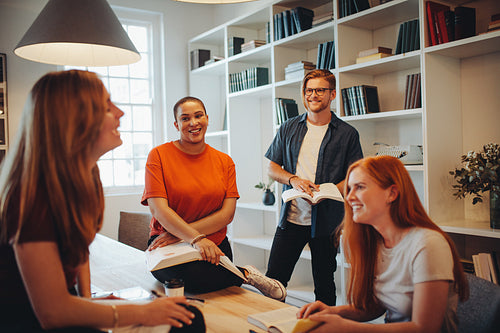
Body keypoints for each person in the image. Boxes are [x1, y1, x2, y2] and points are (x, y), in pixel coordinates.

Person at [0, 70, 198, 332]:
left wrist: (88, 300)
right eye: (106, 107)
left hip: (63, 303)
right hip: (30, 321)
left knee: (187, 317)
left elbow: (79, 250)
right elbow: (52, 313)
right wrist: (131, 313)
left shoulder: (87, 175)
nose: (120, 112)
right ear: (73, 120)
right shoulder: (32, 196)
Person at [298, 155, 469, 333]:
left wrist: (347, 328)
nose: (349, 197)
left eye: (360, 187)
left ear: (392, 193)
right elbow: (377, 306)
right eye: (349, 189)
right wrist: (332, 312)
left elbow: (425, 328)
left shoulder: (428, 244)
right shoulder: (377, 242)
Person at [141, 96, 286, 300]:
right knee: (183, 282)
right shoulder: (158, 156)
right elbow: (159, 210)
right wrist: (194, 238)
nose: (193, 123)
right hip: (167, 243)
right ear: (176, 124)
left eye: (198, 116)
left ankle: (237, 273)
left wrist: (186, 234)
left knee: (204, 282)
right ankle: (245, 274)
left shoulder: (224, 161)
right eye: (185, 118)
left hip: (213, 243)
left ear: (207, 119)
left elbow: (226, 215)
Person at [264, 69, 363, 305]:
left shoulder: (348, 134)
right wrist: (293, 179)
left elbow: (355, 175)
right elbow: (272, 168)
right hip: (291, 220)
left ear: (332, 94)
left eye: (320, 90)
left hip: (327, 223)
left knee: (325, 286)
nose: (313, 95)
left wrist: (327, 190)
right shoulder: (288, 127)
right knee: (273, 282)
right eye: (309, 90)